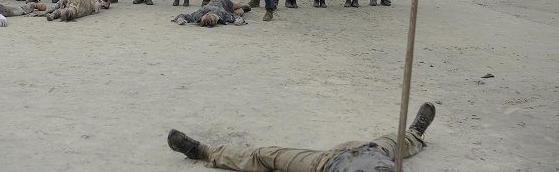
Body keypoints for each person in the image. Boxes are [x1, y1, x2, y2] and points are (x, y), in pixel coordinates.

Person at [167, 102, 436, 172]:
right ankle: (415, 132)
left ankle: (202, 151)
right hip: (373, 151)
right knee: (398, 141)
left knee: (266, 155)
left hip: (326, 163)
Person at [172, 0, 251, 27]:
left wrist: (239, 20)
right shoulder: (199, 15)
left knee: (238, 9)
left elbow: (236, 17)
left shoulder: (199, 14)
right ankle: (243, 8)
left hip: (223, 1)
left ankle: (243, 7)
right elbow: (184, 16)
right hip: (219, 7)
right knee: (237, 13)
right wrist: (181, 19)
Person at [43, 0, 109, 21]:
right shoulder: (95, 1)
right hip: (79, 6)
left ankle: (52, 13)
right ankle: (52, 14)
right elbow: (98, 5)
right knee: (63, 9)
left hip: (78, 3)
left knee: (61, 7)